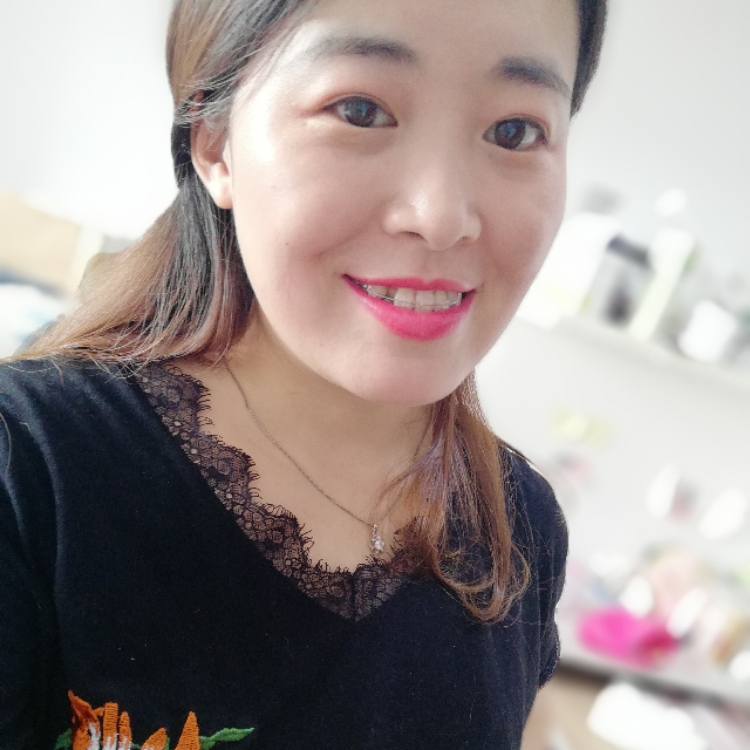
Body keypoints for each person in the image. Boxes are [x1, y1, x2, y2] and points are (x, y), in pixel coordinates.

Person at [0, 0, 607, 748]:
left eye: (515, 131)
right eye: (360, 111)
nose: (441, 215)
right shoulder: (30, 472)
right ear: (215, 144)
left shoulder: (523, 526)